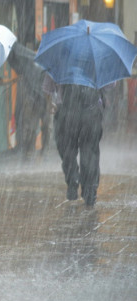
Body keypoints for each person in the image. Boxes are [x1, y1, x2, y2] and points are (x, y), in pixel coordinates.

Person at [43, 74, 107, 207]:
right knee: (90, 152)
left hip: (67, 113)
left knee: (67, 150)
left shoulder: (60, 58)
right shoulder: (97, 57)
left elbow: (48, 87)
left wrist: (50, 103)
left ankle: (73, 180)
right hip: (91, 112)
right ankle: (90, 191)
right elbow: (110, 84)